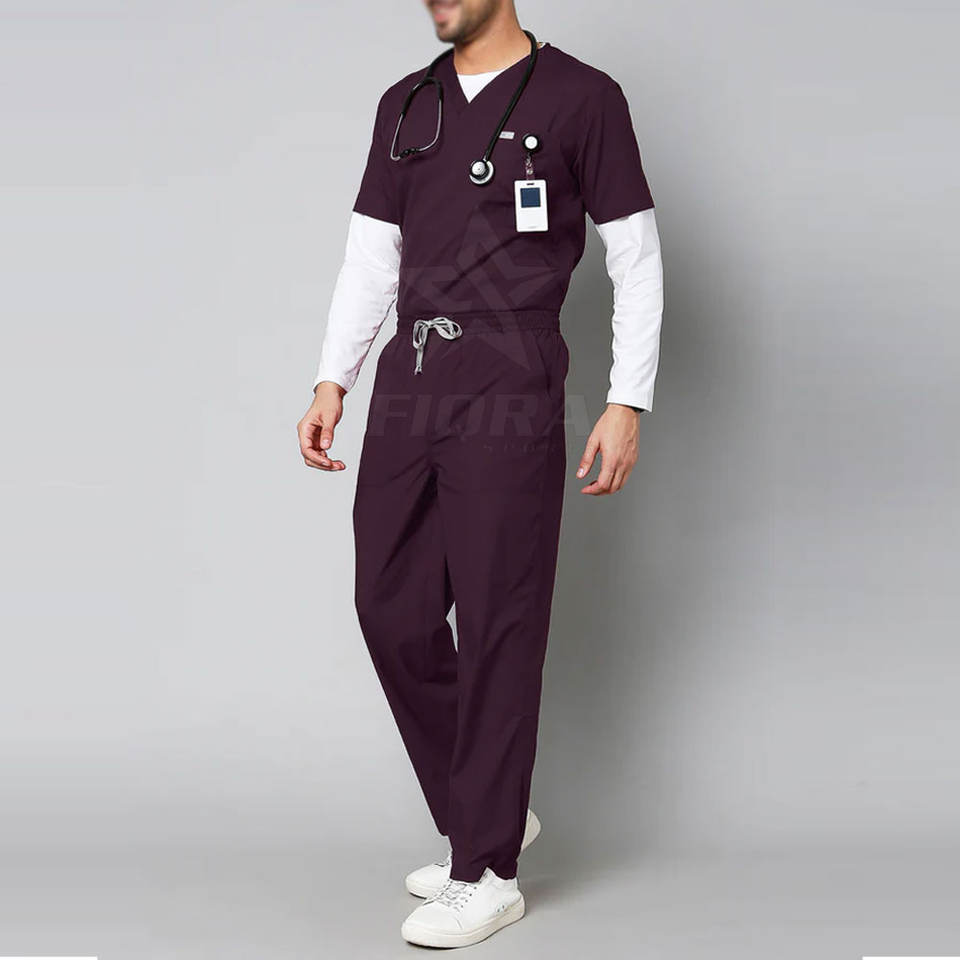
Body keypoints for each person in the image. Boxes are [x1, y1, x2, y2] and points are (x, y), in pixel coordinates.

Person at [297, 0, 663, 947]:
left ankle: (488, 869)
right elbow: (371, 256)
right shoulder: (405, 105)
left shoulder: (583, 98)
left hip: (512, 368)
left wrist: (626, 399)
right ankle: (487, 813)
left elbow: (635, 255)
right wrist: (334, 377)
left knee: (501, 615)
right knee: (390, 606)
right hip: (411, 374)